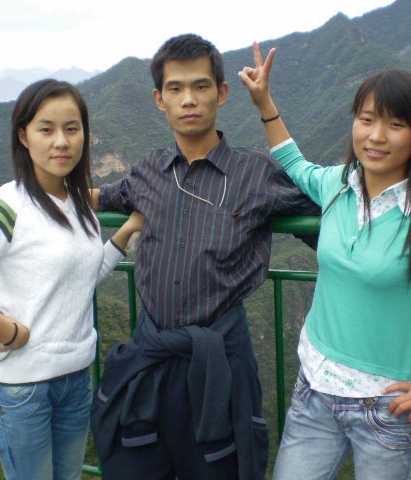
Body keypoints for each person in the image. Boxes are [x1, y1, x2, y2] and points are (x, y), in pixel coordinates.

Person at [237, 43, 411, 479]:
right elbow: (294, 161)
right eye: (367, 119)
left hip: (386, 410)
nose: (376, 136)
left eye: (395, 124)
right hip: (313, 391)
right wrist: (264, 103)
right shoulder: (337, 185)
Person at [90, 34, 321, 480]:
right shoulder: (149, 170)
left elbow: (334, 214)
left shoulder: (256, 173)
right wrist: (26, 194)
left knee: (220, 468)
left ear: (222, 92)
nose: (188, 99)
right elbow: (99, 197)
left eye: (200, 86)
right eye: (175, 88)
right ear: (159, 99)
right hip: (151, 352)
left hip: (218, 360)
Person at [0, 79, 143, 480]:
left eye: (72, 129)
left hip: (76, 380)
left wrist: (125, 233)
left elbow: (82, 281)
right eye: (46, 129)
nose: (61, 141)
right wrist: (5, 330)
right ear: (24, 136)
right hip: (22, 390)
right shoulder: (7, 205)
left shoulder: (78, 204)